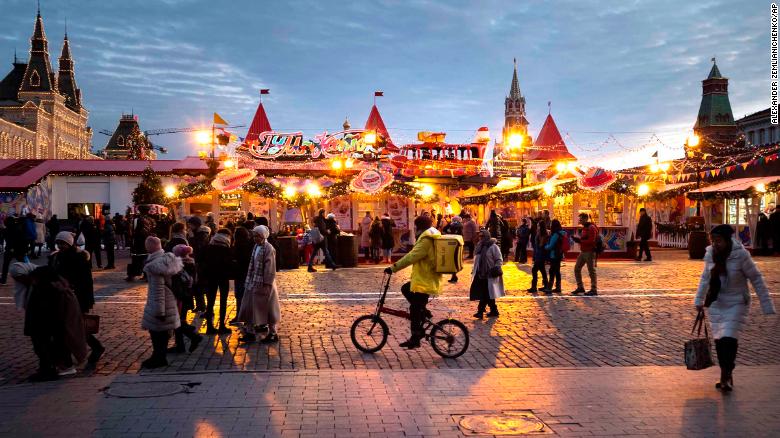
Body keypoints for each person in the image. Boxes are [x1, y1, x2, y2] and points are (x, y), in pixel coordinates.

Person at [694, 224, 775, 391]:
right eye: (713, 240)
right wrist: (699, 300)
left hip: (737, 302)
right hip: (716, 302)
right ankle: (726, 373)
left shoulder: (741, 255)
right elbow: (705, 278)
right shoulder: (710, 254)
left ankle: (726, 375)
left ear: (727, 239)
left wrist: (766, 305)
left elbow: (756, 279)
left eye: (718, 240)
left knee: (729, 338)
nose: (715, 243)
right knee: (719, 341)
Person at [17, 264, 87, 381]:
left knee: (47, 347)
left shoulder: (49, 290)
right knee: (48, 347)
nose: (33, 281)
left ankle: (52, 369)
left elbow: (51, 311)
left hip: (46, 326)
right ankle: (51, 368)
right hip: (45, 325)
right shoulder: (47, 288)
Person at [384, 215, 441, 349]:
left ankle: (415, 337)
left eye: (415, 226)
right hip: (425, 278)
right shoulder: (429, 236)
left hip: (425, 280)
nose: (414, 229)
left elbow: (412, 256)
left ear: (419, 227)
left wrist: (393, 268)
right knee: (405, 288)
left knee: (414, 308)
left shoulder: (426, 240)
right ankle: (424, 312)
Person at [49, 231, 105, 366]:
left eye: (63, 243)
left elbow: (86, 282)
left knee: (76, 326)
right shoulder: (56, 258)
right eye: (58, 243)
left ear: (69, 243)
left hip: (77, 297)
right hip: (62, 297)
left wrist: (84, 299)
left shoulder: (79, 258)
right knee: (71, 327)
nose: (60, 246)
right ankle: (68, 356)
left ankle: (95, 347)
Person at [141, 236, 181, 368]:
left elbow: (158, 290)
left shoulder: (155, 266)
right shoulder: (166, 259)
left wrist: (159, 311)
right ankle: (159, 356)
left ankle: (159, 358)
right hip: (170, 302)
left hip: (161, 305)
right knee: (162, 333)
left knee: (157, 332)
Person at [236, 225, 280, 344]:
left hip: (265, 283)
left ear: (263, 236)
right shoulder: (256, 246)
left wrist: (267, 283)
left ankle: (272, 333)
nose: (255, 238)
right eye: (254, 235)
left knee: (269, 308)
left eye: (257, 236)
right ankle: (250, 331)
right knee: (249, 307)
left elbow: (270, 267)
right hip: (254, 281)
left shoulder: (268, 248)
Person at [169, 244, 202, 353]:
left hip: (180, 297)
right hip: (188, 296)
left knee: (177, 321)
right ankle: (181, 344)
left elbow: (176, 283)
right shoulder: (191, 263)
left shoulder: (178, 265)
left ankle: (191, 335)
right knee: (179, 319)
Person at [201, 229, 233, 334]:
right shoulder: (227, 249)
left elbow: (202, 262)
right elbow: (230, 264)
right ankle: (222, 326)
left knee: (210, 302)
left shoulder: (208, 247)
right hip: (223, 277)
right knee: (223, 301)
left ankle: (209, 327)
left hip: (210, 277)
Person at [470, 229, 505, 318]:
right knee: (487, 293)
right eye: (480, 236)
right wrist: (474, 269)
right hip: (480, 274)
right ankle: (493, 310)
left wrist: (495, 269)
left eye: (482, 236)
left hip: (490, 274)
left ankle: (480, 311)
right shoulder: (479, 246)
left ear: (487, 236)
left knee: (485, 293)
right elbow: (476, 260)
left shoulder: (493, 247)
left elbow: (499, 259)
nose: (480, 238)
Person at [187, 216, 211, 312]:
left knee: (200, 285)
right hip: (195, 261)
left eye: (190, 224)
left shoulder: (202, 234)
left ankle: (204, 307)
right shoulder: (195, 232)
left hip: (201, 262)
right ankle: (200, 305)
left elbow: (198, 247)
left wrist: (192, 237)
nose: (189, 226)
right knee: (196, 285)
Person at [571, 213, 598, 296]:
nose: (580, 221)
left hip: (590, 251)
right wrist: (578, 239)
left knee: (591, 271)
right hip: (583, 251)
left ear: (586, 219)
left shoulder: (591, 228)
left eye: (581, 219)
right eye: (579, 219)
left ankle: (594, 289)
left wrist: (580, 241)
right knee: (577, 268)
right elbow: (585, 239)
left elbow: (591, 241)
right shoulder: (585, 228)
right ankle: (580, 287)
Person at [231, 226, 254, 324]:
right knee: (246, 295)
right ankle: (246, 316)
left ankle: (240, 315)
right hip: (247, 273)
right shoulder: (250, 245)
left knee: (239, 295)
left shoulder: (236, 246)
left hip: (239, 274)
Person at [126, 206, 156, 281]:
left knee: (136, 258)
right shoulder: (151, 220)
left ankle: (132, 275)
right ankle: (146, 275)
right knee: (146, 258)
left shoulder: (137, 219)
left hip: (138, 241)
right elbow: (153, 230)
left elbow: (132, 230)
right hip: (147, 241)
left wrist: (131, 238)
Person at [542, 219, 566, 294]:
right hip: (559, 254)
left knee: (552, 271)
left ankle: (549, 287)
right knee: (557, 271)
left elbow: (551, 245)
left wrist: (545, 246)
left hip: (554, 254)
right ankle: (558, 287)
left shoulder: (555, 234)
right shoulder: (562, 233)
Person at [528, 220, 549, 293]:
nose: (537, 227)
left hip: (540, 255)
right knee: (542, 270)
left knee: (534, 270)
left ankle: (534, 287)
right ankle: (546, 285)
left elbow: (541, 244)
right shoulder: (542, 233)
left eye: (538, 225)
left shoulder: (542, 234)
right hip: (539, 254)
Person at [444, 215, 463, 283]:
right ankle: (454, 275)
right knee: (456, 259)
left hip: (451, 242)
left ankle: (454, 275)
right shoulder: (460, 225)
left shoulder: (451, 224)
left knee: (452, 259)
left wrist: (448, 233)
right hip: (458, 243)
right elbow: (461, 234)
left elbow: (444, 229)